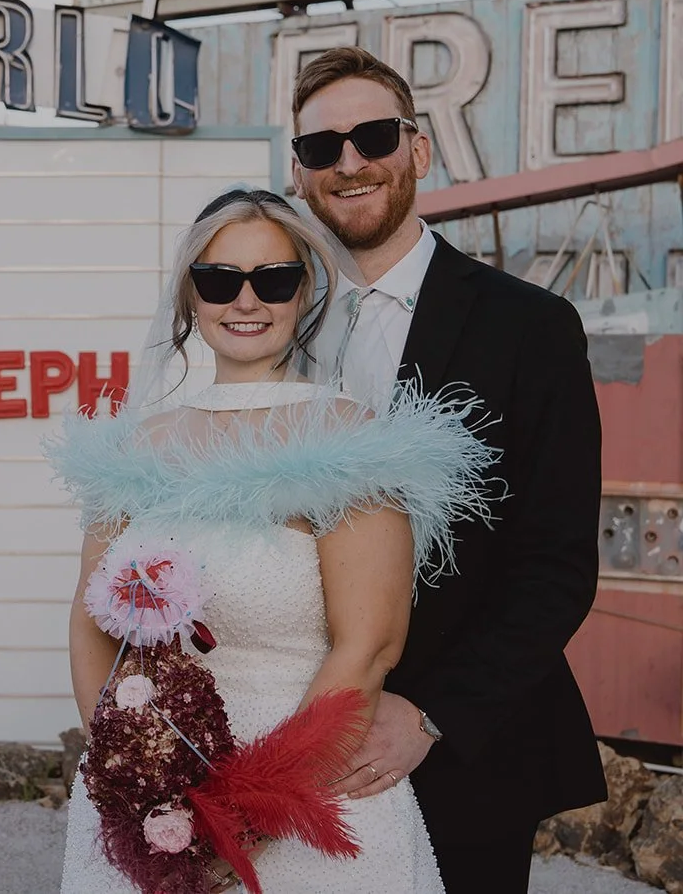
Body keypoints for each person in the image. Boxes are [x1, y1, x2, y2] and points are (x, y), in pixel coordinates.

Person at [48, 187, 498, 893]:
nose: (246, 300)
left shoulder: (349, 440)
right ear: (191, 295)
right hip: (150, 816)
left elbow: (370, 644)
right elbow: (88, 625)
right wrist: (133, 778)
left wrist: (243, 822)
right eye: (220, 279)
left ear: (305, 290)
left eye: (274, 279)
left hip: (305, 803)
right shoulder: (131, 448)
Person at [292, 47, 606, 894]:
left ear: (418, 150)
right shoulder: (271, 322)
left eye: (372, 137)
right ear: (299, 173)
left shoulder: (529, 327)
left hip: (461, 751)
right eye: (322, 148)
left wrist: (431, 714)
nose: (349, 162)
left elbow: (557, 563)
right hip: (284, 731)